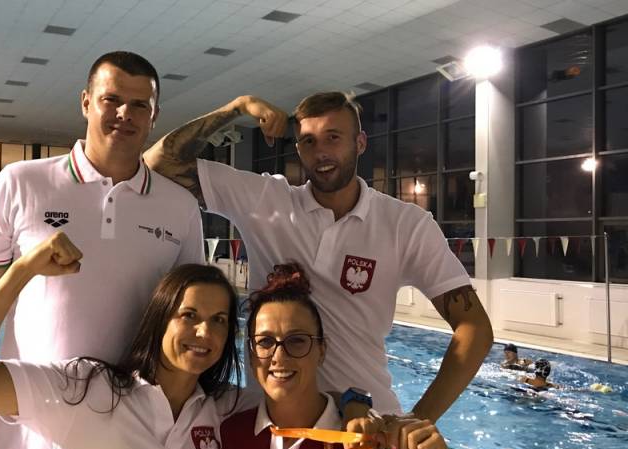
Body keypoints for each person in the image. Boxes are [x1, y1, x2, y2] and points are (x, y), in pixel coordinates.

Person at [0, 51, 205, 449]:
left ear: (154, 116)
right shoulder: (21, 183)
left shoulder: (180, 208)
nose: (125, 114)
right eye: (112, 100)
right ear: (86, 102)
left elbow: (191, 321)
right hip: (27, 431)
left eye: (139, 105)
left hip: (126, 440)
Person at [144, 92, 494, 421]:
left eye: (333, 138)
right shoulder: (266, 201)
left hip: (366, 426)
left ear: (360, 143)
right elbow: (158, 163)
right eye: (308, 141)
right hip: (271, 423)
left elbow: (474, 327)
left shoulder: (406, 224)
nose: (321, 152)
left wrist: (418, 421)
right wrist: (237, 107)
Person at [0, 233, 242, 449]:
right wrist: (21, 271)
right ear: (160, 320)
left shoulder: (223, 407)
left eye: (219, 319)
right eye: (189, 315)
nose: (204, 332)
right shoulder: (83, 389)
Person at [215, 263, 473, 449]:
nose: (279, 356)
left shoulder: (372, 448)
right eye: (265, 342)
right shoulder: (227, 435)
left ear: (322, 350)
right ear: (250, 353)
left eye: (297, 340)